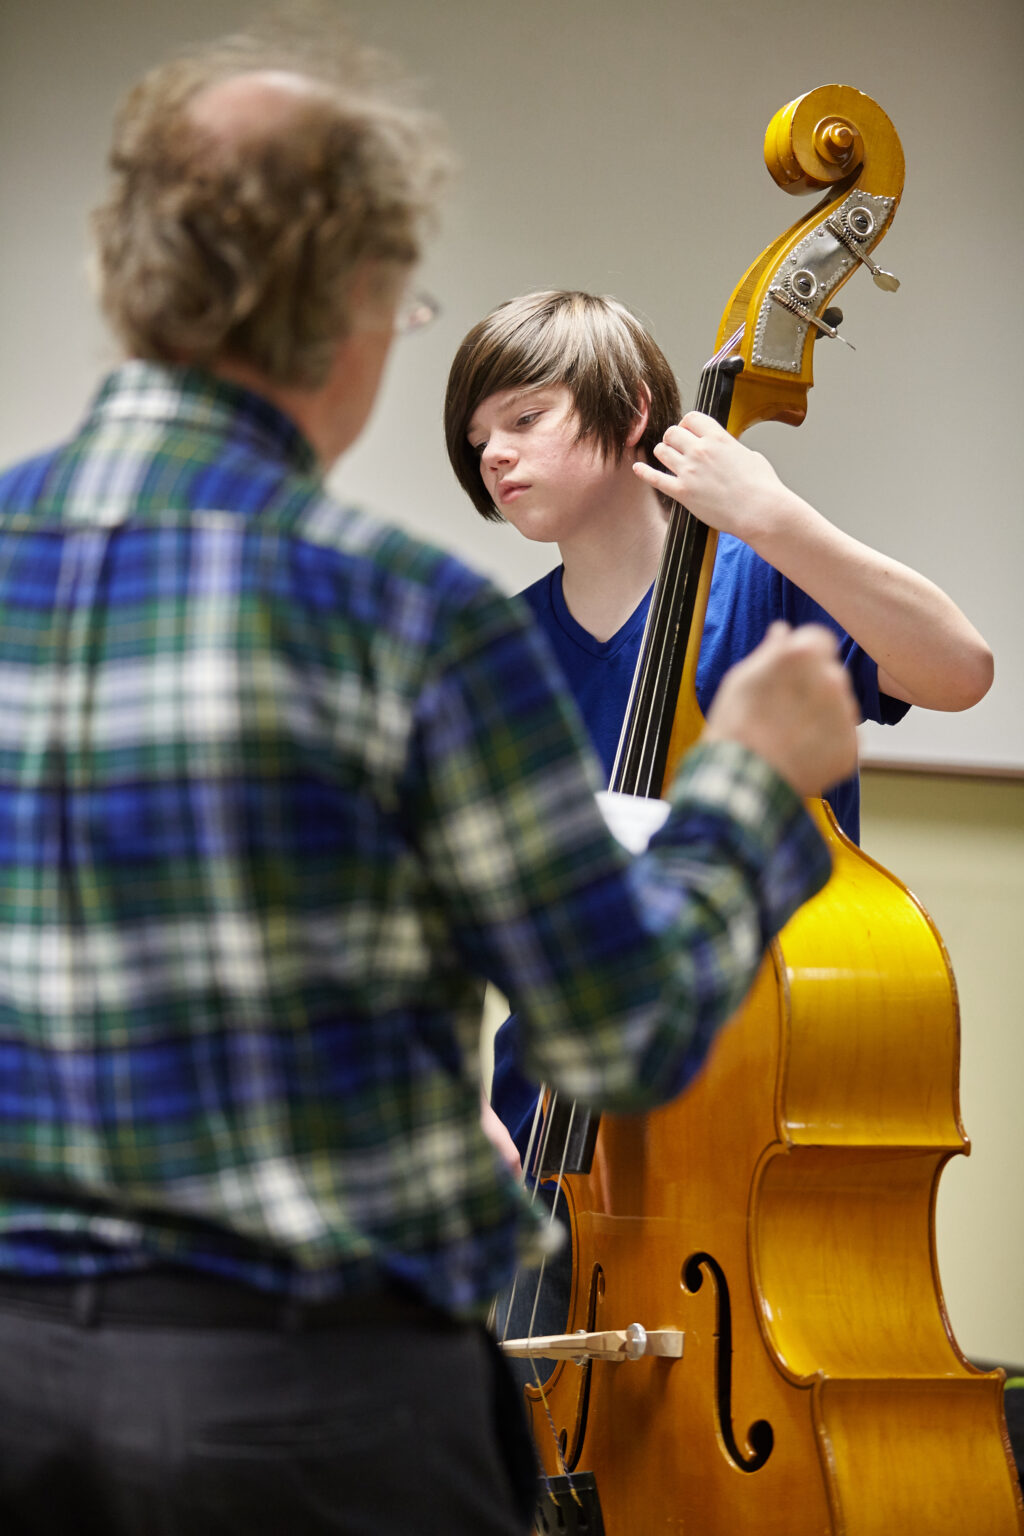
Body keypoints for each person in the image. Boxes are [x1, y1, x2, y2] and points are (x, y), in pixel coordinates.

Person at [0, 25, 864, 1536]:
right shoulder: (411, 617)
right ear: (348, 300)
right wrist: (748, 788)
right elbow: (622, 1023)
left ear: (124, 276)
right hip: (313, 1407)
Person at [443, 288, 993, 1356]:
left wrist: (773, 518)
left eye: (523, 417)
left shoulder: (768, 586)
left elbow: (959, 669)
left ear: (633, 405)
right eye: (476, 439)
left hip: (746, 1135)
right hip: (547, 1144)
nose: (494, 457)